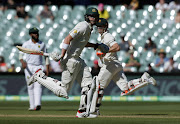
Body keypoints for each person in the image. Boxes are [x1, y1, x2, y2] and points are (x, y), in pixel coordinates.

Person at [27, 7, 108, 118]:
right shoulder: (82, 26)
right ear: (87, 16)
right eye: (91, 16)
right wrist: (62, 54)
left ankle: (82, 112)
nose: (93, 18)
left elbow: (82, 42)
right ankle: (39, 76)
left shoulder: (88, 28)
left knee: (88, 85)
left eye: (95, 17)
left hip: (78, 60)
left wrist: (95, 45)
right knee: (63, 92)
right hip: (70, 60)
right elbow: (67, 39)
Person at [89, 18, 157, 118]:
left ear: (105, 27)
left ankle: (94, 111)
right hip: (115, 64)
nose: (98, 28)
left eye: (100, 27)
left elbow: (117, 47)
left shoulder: (107, 36)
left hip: (110, 65)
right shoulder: (103, 37)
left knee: (99, 86)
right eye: (98, 27)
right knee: (125, 89)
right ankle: (143, 79)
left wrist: (104, 52)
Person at [19, 27, 50, 111]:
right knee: (30, 86)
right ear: (30, 35)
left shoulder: (42, 44)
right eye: (34, 33)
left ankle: (37, 104)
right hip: (29, 66)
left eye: (37, 33)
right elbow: (20, 55)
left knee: (38, 85)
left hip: (39, 66)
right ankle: (32, 106)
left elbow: (46, 56)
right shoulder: (26, 44)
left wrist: (47, 68)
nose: (36, 34)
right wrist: (23, 63)